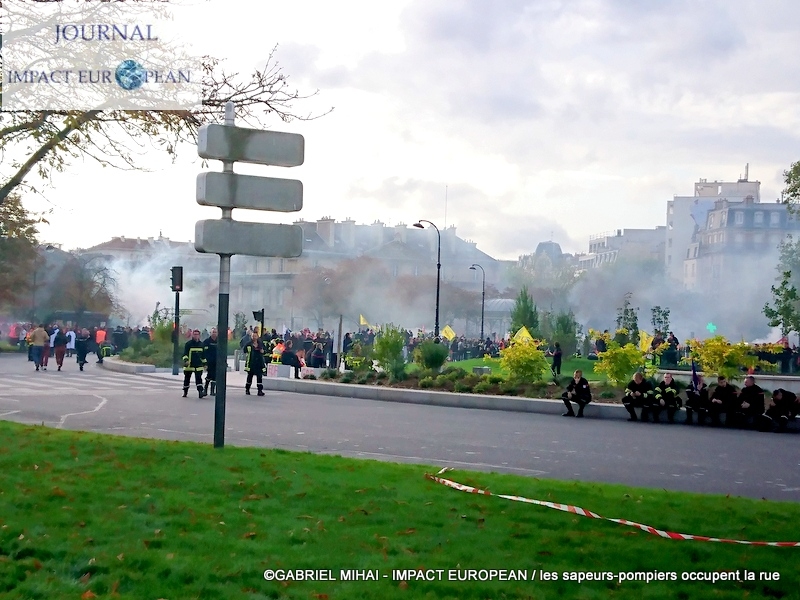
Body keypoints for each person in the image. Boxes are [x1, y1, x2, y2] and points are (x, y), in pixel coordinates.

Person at [182, 329, 207, 398]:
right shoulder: (188, 344)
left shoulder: (201, 344)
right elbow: (185, 354)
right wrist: (186, 360)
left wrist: (205, 364)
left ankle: (200, 392)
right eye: (194, 334)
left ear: (199, 335)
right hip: (189, 366)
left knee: (199, 379)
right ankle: (185, 392)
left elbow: (203, 356)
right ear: (192, 335)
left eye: (197, 334)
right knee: (187, 379)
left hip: (198, 366)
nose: (196, 336)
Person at [243, 331, 266, 396]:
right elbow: (244, 350)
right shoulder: (248, 344)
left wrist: (263, 351)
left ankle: (260, 391)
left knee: (259, 377)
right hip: (251, 363)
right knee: (250, 377)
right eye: (253, 336)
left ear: (257, 336)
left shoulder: (260, 344)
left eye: (255, 336)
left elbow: (265, 350)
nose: (254, 337)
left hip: (259, 363)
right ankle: (247, 389)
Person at [202, 327, 219, 397]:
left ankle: (212, 391)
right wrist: (204, 362)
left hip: (217, 362)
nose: (214, 333)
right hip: (209, 362)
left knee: (215, 376)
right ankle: (205, 389)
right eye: (213, 332)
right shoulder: (206, 342)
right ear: (210, 333)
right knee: (209, 375)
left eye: (215, 332)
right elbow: (203, 352)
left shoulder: (219, 341)